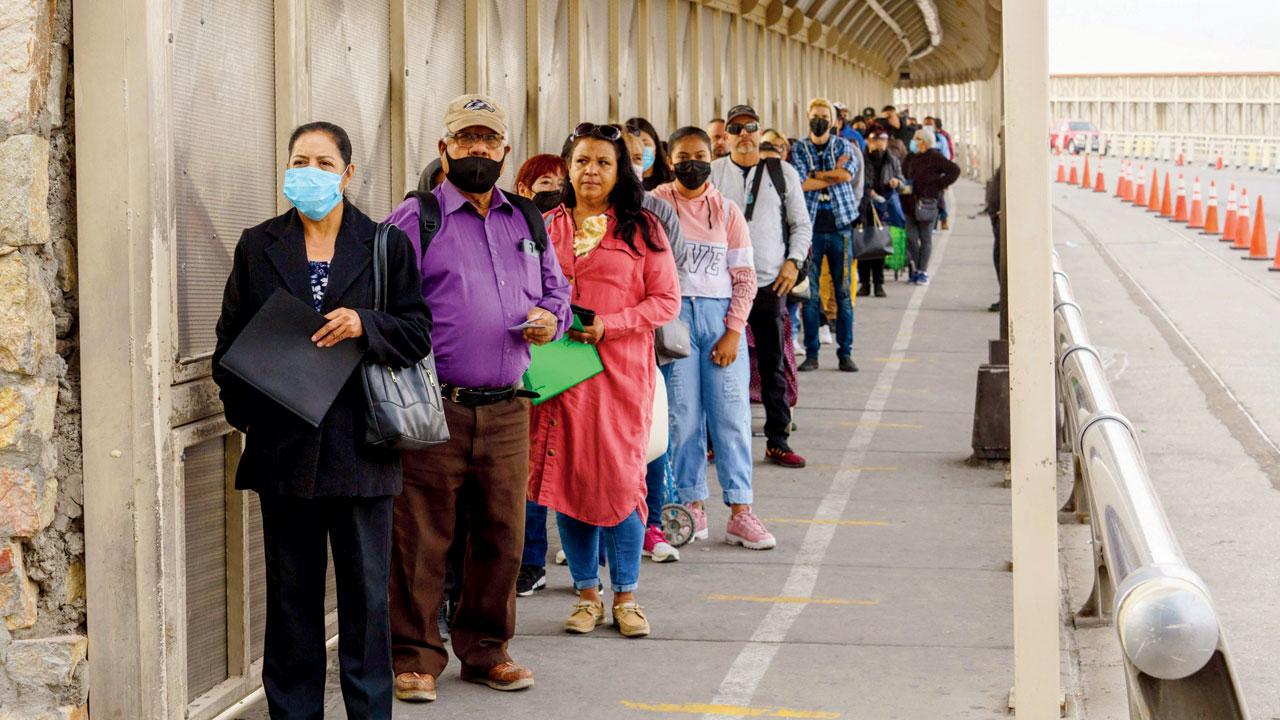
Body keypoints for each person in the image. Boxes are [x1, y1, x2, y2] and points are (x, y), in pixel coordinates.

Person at [212, 121, 432, 719]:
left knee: (365, 603)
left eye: (324, 162)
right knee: (291, 604)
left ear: (348, 174)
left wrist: (367, 324)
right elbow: (229, 340)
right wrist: (252, 416)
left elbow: (417, 331)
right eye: (300, 160)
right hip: (285, 449)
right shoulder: (259, 244)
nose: (310, 171)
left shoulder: (385, 245)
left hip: (362, 446)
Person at [384, 94, 572, 703]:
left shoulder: (527, 219)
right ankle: (415, 657)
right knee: (421, 535)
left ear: (504, 151)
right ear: (444, 150)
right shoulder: (416, 219)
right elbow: (383, 302)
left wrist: (550, 317)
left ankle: (488, 650)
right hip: (436, 404)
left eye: (488, 141)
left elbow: (557, 293)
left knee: (502, 534)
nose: (477, 151)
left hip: (510, 405)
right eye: (465, 140)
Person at [529, 122, 681, 637]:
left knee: (620, 483)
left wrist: (610, 325)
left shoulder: (643, 229)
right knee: (568, 483)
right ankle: (587, 594)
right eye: (581, 162)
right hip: (561, 375)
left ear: (620, 172)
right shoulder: (546, 226)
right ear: (568, 169)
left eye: (602, 162)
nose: (591, 171)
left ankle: (627, 596)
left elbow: (666, 302)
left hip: (619, 376)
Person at [653, 126, 776, 551]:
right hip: (674, 321)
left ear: (712, 157)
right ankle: (692, 504)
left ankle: (741, 510)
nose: (693, 162)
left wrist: (733, 331)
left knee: (731, 416)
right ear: (671, 161)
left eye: (701, 154)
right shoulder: (656, 206)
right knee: (682, 417)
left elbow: (745, 279)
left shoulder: (727, 211)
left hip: (720, 320)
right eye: (684, 155)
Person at [709, 104, 811, 469]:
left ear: (759, 130)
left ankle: (777, 439)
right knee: (719, 361)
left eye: (750, 126)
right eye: (735, 129)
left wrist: (793, 261)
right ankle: (712, 439)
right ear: (726, 136)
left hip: (768, 282)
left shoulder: (782, 173)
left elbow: (801, 224)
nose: (744, 134)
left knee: (773, 365)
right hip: (721, 285)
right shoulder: (714, 173)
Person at [791, 97, 861, 373]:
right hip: (809, 231)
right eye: (815, 115)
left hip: (840, 226)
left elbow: (846, 175)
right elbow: (800, 183)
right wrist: (830, 174)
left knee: (843, 293)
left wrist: (816, 173)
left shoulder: (845, 146)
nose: (818, 120)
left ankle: (845, 352)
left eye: (824, 116)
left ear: (833, 121)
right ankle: (812, 353)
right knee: (810, 295)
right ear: (808, 117)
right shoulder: (799, 148)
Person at [901, 128, 960, 286]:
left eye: (917, 138)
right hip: (908, 203)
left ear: (925, 142)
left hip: (927, 203)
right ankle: (916, 267)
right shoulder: (910, 157)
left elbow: (954, 170)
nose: (913, 141)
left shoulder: (935, 157)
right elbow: (903, 174)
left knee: (925, 238)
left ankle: (922, 271)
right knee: (911, 238)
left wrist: (939, 185)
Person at [858, 128, 905, 298]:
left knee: (879, 245)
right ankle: (864, 283)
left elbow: (902, 181)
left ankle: (879, 284)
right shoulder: (861, 159)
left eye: (883, 141)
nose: (879, 144)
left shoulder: (892, 160)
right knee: (863, 245)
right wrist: (867, 191)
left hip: (883, 207)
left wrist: (896, 182)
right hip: (864, 206)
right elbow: (855, 181)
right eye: (876, 141)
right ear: (869, 142)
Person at [627, 116, 675, 191]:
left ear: (656, 147)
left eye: (645, 143)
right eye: (634, 144)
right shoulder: (617, 183)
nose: (640, 149)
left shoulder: (672, 182)